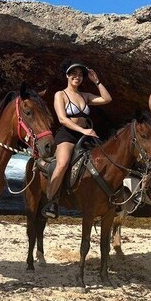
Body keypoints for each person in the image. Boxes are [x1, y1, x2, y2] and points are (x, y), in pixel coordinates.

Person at [42, 61, 112, 218]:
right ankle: (51, 201)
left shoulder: (85, 95)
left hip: (85, 136)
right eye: (74, 74)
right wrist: (83, 130)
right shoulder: (60, 94)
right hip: (67, 135)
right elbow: (62, 119)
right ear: (67, 75)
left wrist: (96, 81)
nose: (77, 77)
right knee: (62, 164)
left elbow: (107, 99)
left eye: (80, 75)